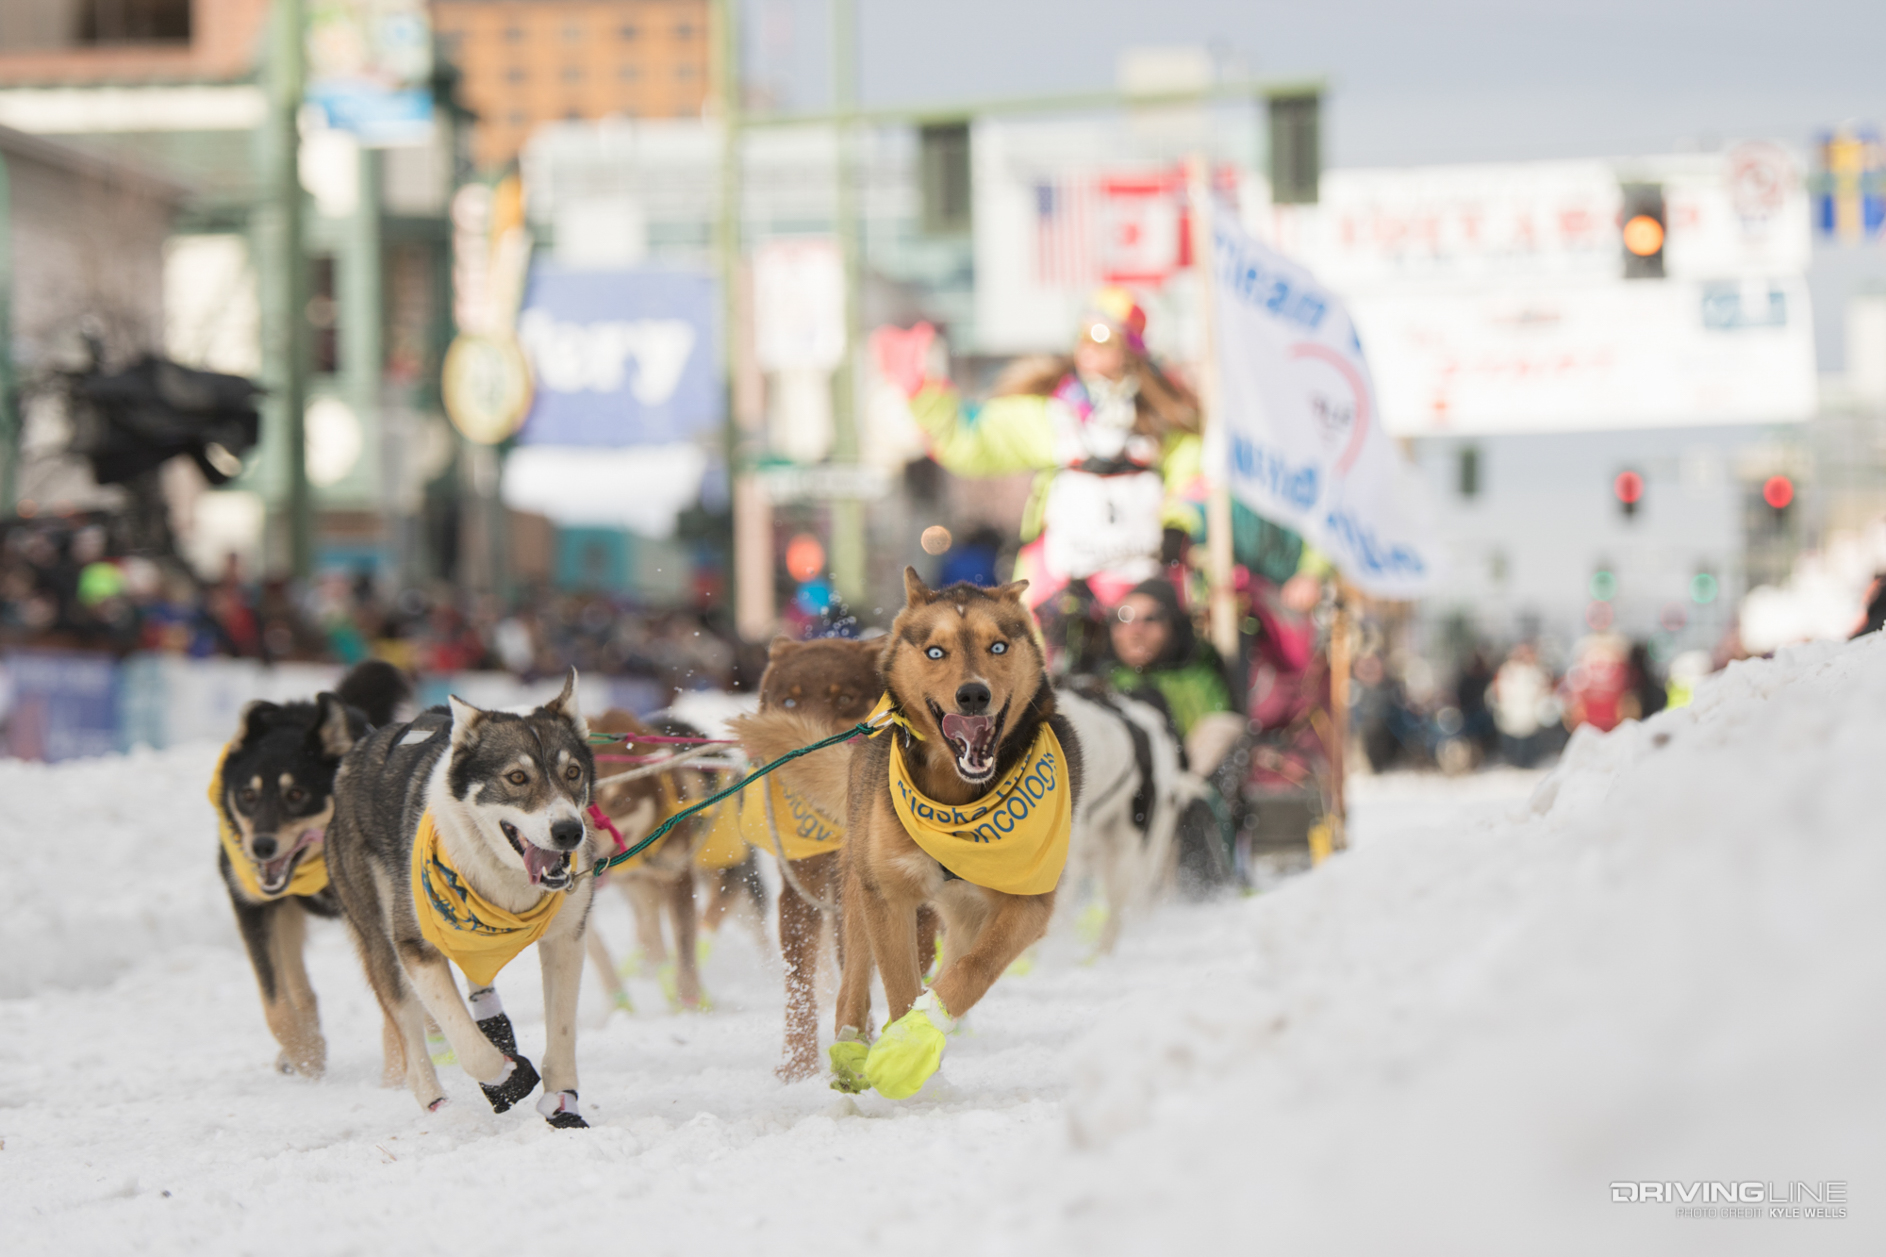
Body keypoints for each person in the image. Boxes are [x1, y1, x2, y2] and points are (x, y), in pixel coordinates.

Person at [878, 288, 1204, 613]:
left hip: (1144, 586)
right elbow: (973, 439)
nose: (1089, 350)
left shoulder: (1159, 424)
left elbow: (1194, 481)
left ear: (1131, 349)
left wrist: (1178, 527)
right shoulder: (1057, 416)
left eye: (1103, 339)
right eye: (1084, 338)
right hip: (1066, 585)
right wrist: (922, 392)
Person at [1106, 577, 1242, 774]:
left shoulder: (1199, 678)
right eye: (1123, 617)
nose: (1135, 631)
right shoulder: (1101, 679)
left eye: (1150, 619)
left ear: (1174, 625)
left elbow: (1219, 734)